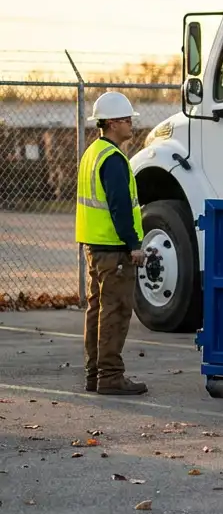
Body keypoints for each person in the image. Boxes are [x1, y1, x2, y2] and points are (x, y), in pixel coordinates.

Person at [74, 91, 148, 395]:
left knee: (97, 310)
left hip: (95, 246)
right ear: (113, 123)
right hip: (114, 249)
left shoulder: (93, 153)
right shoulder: (114, 160)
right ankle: (111, 376)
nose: (131, 124)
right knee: (115, 311)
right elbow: (119, 207)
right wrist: (133, 244)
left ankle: (96, 374)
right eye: (127, 119)